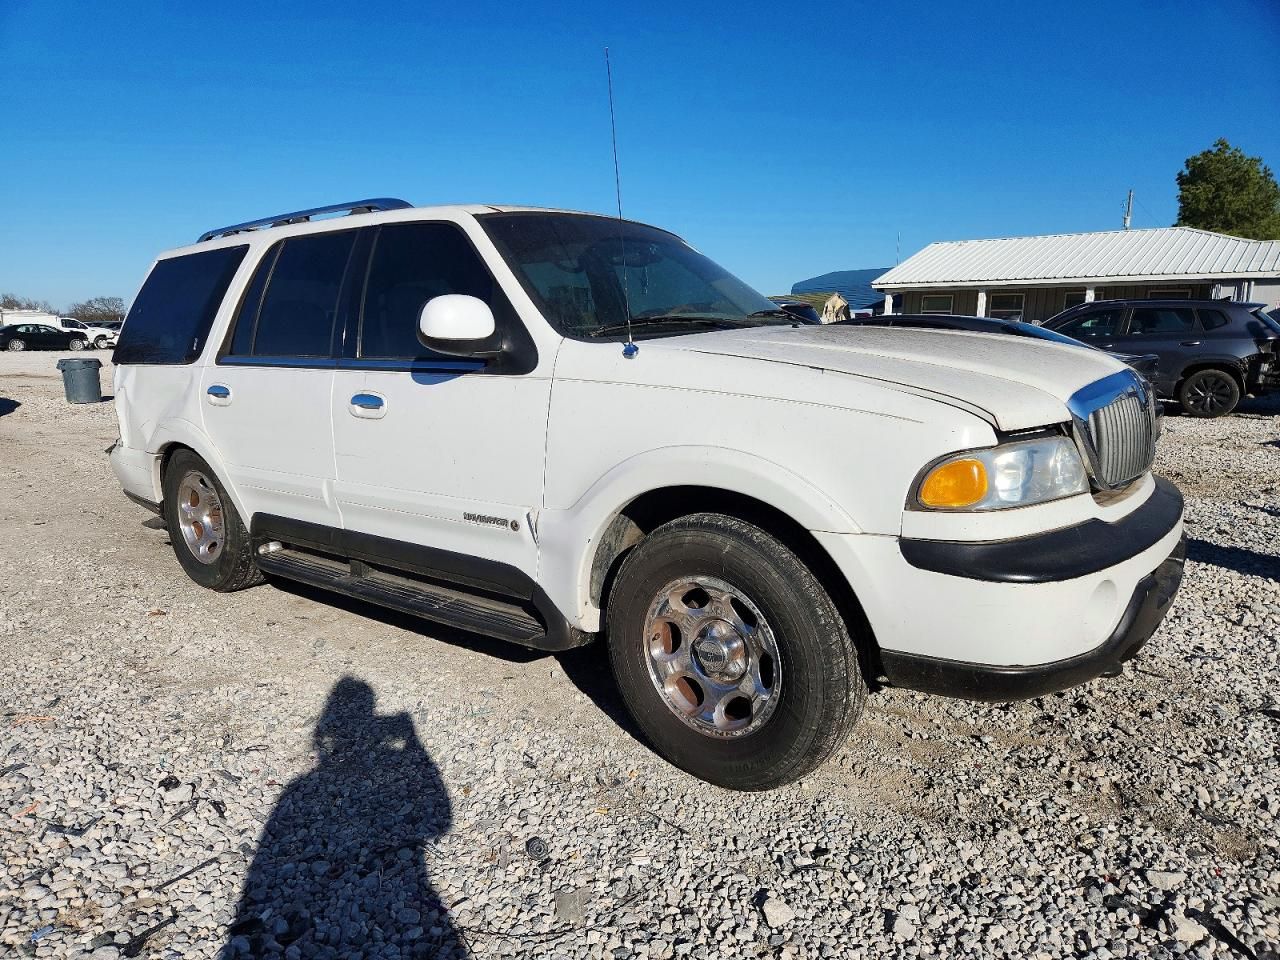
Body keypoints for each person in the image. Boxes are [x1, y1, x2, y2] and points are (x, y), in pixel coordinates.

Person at [221, 677, 463, 958]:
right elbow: (441, 821)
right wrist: (411, 742)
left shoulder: (297, 788)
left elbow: (440, 822)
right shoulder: (300, 787)